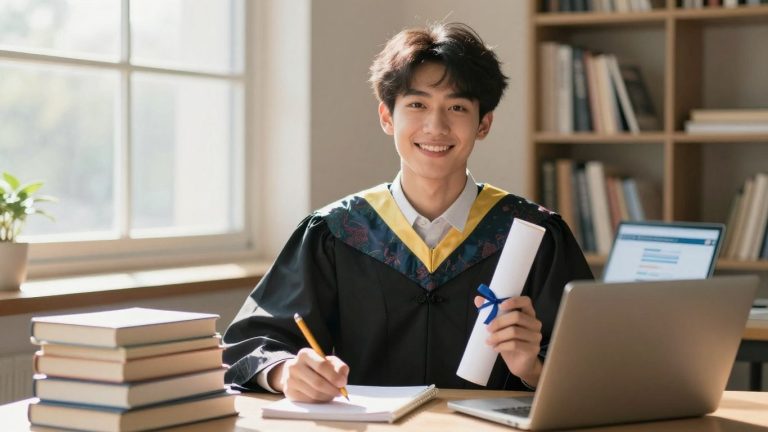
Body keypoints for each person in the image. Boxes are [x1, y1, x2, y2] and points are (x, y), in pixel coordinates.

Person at [223, 22, 592, 403]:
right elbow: (251, 344)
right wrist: (287, 373)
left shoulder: (535, 233)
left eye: (457, 107)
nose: (436, 126)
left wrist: (533, 368)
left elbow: (597, 368)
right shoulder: (336, 232)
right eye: (417, 104)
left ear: (483, 124)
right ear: (387, 117)